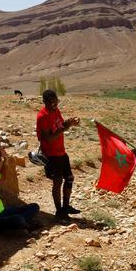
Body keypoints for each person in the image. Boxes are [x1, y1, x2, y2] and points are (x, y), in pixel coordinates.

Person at [35, 90, 81, 219]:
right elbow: (48, 138)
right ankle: (59, 211)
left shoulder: (56, 111)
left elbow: (60, 124)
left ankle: (66, 207)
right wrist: (65, 127)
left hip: (61, 152)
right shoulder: (42, 116)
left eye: (56, 101)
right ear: (44, 102)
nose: (54, 104)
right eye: (51, 102)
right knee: (57, 181)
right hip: (51, 154)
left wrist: (71, 122)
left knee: (69, 178)